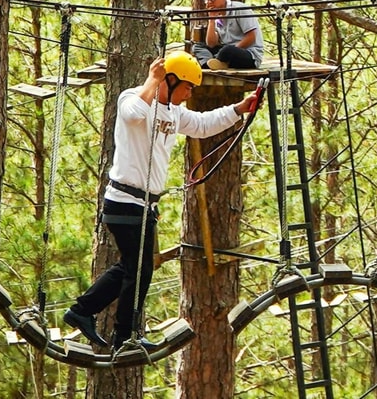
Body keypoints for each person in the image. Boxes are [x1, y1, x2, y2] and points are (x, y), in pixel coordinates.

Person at [63, 52, 261, 349]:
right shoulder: (134, 98)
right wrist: (151, 80)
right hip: (124, 201)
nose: (190, 93)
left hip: (144, 206)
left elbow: (203, 124)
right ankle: (123, 334)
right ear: (170, 80)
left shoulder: (174, 112)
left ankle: (82, 311)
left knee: (133, 267)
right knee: (138, 270)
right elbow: (132, 115)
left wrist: (238, 109)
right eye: (187, 87)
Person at [193, 0, 263, 70]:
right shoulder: (217, 14)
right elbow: (211, 44)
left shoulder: (239, 8)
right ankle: (210, 64)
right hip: (226, 53)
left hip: (248, 54)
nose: (209, 2)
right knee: (197, 46)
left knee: (227, 50)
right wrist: (212, 20)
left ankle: (218, 61)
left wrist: (230, 51)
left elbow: (251, 37)